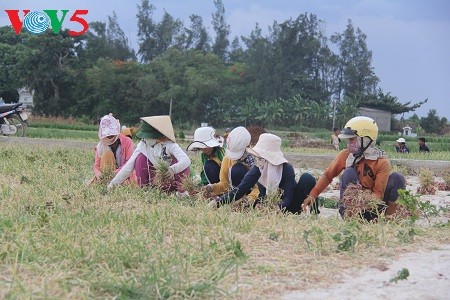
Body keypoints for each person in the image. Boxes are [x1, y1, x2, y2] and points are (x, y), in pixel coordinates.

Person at [302, 116, 406, 220]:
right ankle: (351, 217)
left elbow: (378, 195)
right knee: (349, 173)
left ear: (365, 140)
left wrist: (362, 199)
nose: (349, 144)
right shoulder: (345, 155)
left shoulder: (381, 162)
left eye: (352, 140)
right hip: (350, 208)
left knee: (397, 178)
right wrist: (313, 195)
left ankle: (390, 218)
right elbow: (328, 175)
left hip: (373, 209)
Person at [208, 133, 317, 214]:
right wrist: (218, 202)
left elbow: (288, 197)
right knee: (253, 204)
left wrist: (277, 207)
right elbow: (240, 189)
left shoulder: (286, 168)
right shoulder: (258, 168)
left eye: (259, 156)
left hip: (289, 205)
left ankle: (315, 211)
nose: (257, 159)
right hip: (269, 206)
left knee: (307, 178)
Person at [107, 115, 191, 194]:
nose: (145, 139)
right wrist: (113, 184)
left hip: (172, 178)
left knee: (179, 162)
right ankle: (144, 188)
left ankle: (181, 192)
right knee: (140, 158)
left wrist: (172, 169)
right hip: (158, 181)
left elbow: (186, 160)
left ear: (157, 136)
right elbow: (129, 165)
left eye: (148, 137)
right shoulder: (143, 144)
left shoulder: (170, 145)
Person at [202, 126, 260, 204]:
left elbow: (258, 188)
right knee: (209, 166)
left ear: (248, 146)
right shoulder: (227, 159)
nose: (235, 158)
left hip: (252, 194)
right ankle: (234, 198)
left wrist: (250, 198)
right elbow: (224, 184)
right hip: (235, 192)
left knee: (237, 169)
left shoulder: (256, 161)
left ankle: (242, 200)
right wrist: (212, 188)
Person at [92, 114, 136, 184]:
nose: (109, 136)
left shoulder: (127, 142)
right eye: (107, 134)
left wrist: (114, 173)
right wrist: (99, 174)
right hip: (106, 177)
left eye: (112, 134)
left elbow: (129, 164)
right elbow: (96, 166)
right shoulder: (101, 146)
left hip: (125, 176)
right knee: (107, 154)